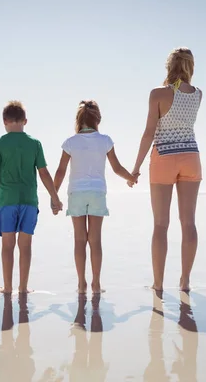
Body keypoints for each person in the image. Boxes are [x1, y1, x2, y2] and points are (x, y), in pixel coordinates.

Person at [0, 101, 63, 294]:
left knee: (7, 246)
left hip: (7, 202)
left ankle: (8, 287)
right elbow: (44, 174)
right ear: (25, 121)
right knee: (25, 246)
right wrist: (55, 198)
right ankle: (23, 288)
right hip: (29, 202)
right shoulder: (34, 143)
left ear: (4, 121)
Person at [130, 47, 203, 292]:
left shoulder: (158, 94)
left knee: (161, 225)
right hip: (191, 157)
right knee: (188, 222)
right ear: (190, 66)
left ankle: (158, 283)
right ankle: (185, 281)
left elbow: (149, 132)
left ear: (169, 66)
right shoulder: (198, 94)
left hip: (164, 158)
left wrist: (136, 167)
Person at [53, 100, 137, 294]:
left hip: (76, 192)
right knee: (95, 240)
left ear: (79, 120)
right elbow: (117, 168)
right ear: (97, 119)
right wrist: (130, 178)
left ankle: (81, 283)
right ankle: (96, 283)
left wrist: (54, 194)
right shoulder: (105, 140)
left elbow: (60, 171)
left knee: (79, 240)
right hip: (97, 192)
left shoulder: (70, 142)